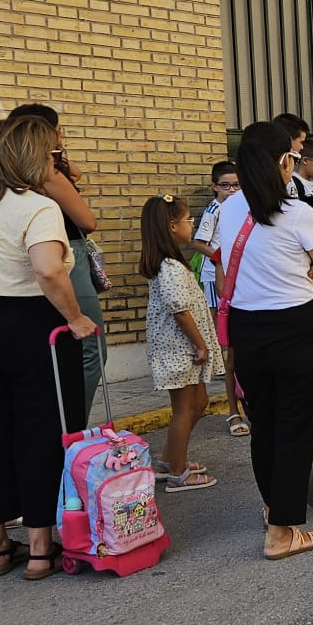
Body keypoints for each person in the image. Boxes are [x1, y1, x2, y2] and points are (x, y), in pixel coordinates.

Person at [0, 112, 93, 579]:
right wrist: (76, 317)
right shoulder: (39, 207)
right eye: (51, 154)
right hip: (31, 326)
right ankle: (40, 547)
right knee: (38, 434)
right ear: (33, 158)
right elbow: (48, 270)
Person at [215, 119, 313, 560]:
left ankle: (274, 508)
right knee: (295, 428)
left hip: (248, 330)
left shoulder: (228, 209)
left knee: (264, 425)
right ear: (283, 162)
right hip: (294, 327)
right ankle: (282, 532)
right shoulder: (298, 213)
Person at [10, 104, 106, 406]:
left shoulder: (8, 171)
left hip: (28, 259)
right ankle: (75, 421)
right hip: (66, 255)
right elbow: (87, 221)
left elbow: (76, 172)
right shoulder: (46, 173)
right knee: (92, 346)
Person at [138, 193, 219, 492]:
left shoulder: (171, 263)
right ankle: (178, 473)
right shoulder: (169, 268)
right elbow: (180, 311)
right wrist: (200, 344)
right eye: (189, 220)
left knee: (199, 402)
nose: (192, 226)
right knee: (186, 408)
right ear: (172, 226)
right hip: (180, 350)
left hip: (182, 350)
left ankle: (171, 459)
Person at [192, 160, 246, 437]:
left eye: (236, 184)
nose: (231, 189)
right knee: (220, 328)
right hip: (216, 275)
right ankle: (221, 367)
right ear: (215, 187)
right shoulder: (214, 210)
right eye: (225, 185)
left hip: (237, 275)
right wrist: (221, 258)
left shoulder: (241, 207)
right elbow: (198, 242)